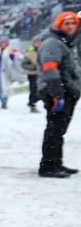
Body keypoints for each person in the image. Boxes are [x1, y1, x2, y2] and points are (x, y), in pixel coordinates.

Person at [36, 11, 79, 178]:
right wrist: (57, 94)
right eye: (66, 23)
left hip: (66, 91)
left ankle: (56, 162)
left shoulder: (64, 43)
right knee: (54, 129)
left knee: (59, 130)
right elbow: (50, 69)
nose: (70, 27)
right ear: (59, 25)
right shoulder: (52, 43)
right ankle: (47, 166)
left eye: (73, 23)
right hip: (57, 91)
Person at [23, 38, 41, 113]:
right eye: (36, 42)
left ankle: (32, 102)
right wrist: (33, 67)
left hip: (43, 73)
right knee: (33, 90)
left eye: (40, 42)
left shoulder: (45, 50)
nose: (38, 43)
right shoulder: (29, 52)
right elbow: (24, 64)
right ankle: (32, 104)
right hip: (32, 74)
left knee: (42, 90)